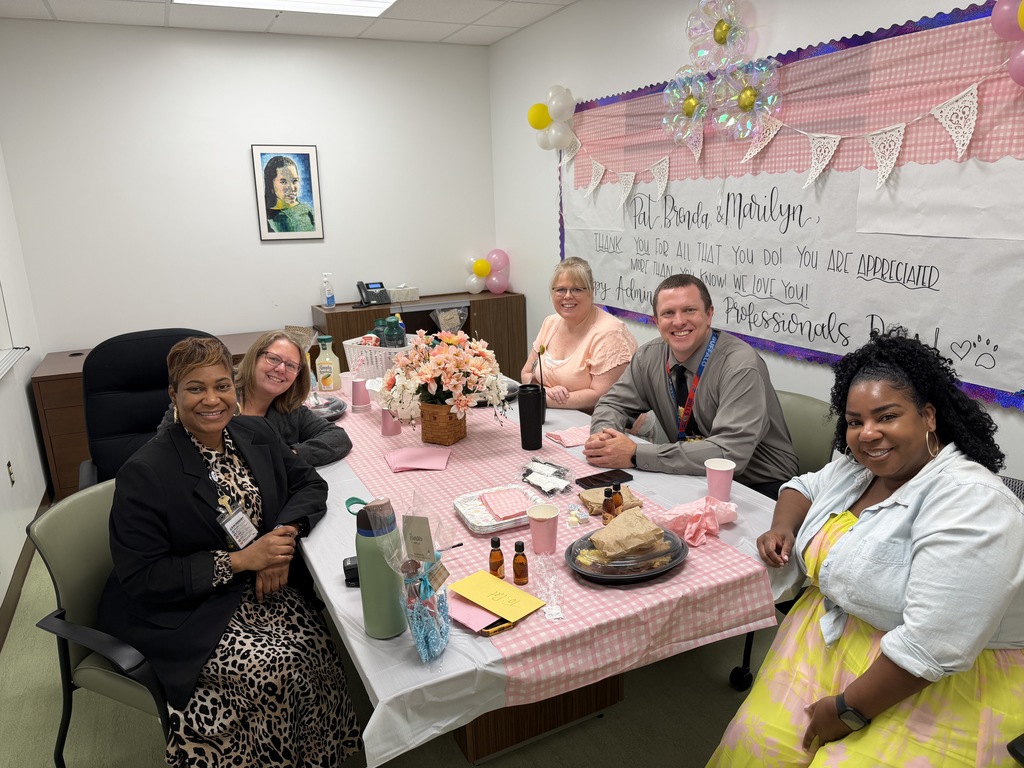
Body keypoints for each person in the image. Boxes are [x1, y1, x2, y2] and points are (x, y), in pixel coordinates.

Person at [707, 328, 1024, 767]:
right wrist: (783, 526)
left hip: (936, 680)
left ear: (928, 416)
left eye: (887, 416)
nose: (868, 434)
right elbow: (803, 485)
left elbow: (934, 645)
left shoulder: (973, 502)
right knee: (753, 744)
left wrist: (847, 709)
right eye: (855, 422)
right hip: (826, 643)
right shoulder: (857, 470)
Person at [98, 336, 361, 767]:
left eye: (221, 386)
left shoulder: (253, 433)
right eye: (195, 388)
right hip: (187, 605)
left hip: (254, 583)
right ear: (174, 395)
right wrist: (243, 560)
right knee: (277, 669)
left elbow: (310, 484)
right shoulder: (145, 472)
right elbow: (143, 576)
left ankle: (316, 758)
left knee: (318, 645)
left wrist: (279, 539)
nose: (211, 400)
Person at [584, 273, 797, 498]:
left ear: (709, 315)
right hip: (693, 475)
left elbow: (729, 453)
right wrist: (603, 441)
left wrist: (636, 454)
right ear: (656, 321)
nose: (678, 321)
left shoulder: (740, 366)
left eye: (689, 310)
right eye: (668, 313)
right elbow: (612, 404)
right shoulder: (649, 356)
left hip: (759, 484)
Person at [159, 329, 352, 466]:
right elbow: (163, 449)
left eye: (291, 365)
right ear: (254, 358)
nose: (281, 369)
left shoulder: (290, 411)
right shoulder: (216, 396)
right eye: (274, 359)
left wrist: (287, 455)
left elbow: (338, 439)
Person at [520, 257, 637, 413]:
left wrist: (541, 398)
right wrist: (546, 391)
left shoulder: (610, 333)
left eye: (576, 289)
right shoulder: (550, 323)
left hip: (613, 425)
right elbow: (527, 373)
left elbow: (601, 396)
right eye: (560, 289)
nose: (567, 296)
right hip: (560, 416)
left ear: (591, 291)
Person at [263, 155, 315, 233]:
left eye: (294, 181)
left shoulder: (308, 210)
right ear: (271, 184)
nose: (291, 188)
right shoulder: (265, 217)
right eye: (283, 182)